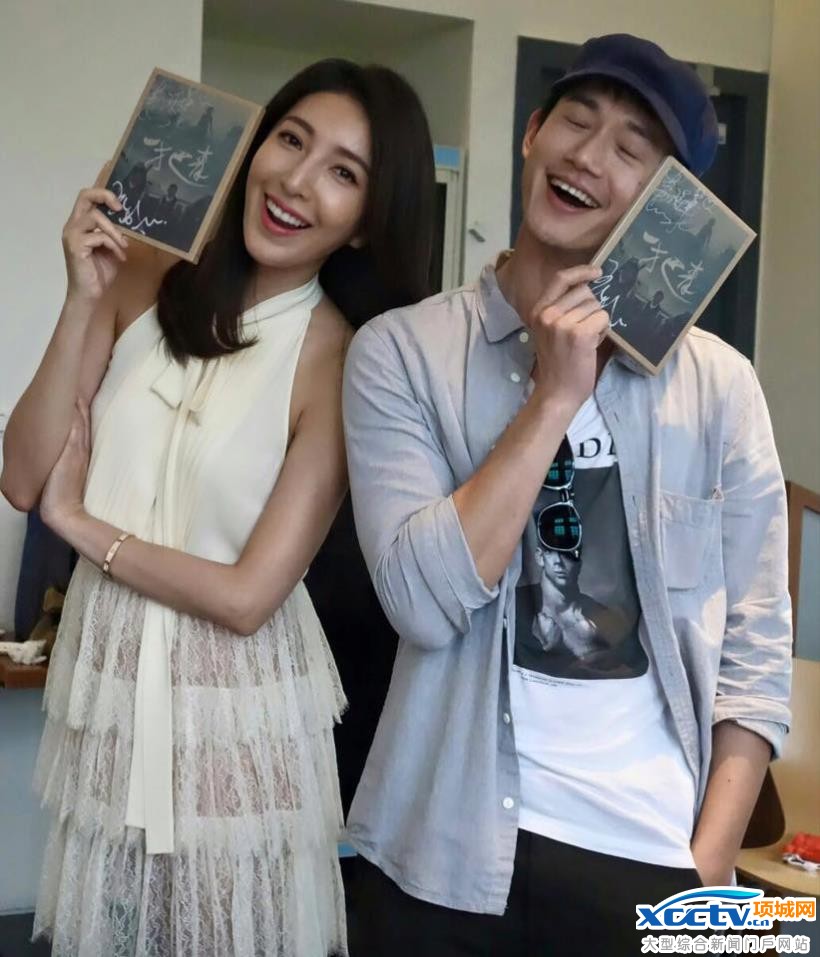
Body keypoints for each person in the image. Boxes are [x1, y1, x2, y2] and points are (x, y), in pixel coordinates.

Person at [342, 34, 792, 956]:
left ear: (664, 202)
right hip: (440, 844)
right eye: (575, 123)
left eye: (630, 149)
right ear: (532, 134)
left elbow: (757, 643)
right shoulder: (402, 353)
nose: (588, 156)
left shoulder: (720, 387)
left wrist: (706, 864)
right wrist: (552, 397)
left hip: (654, 856)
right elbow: (420, 602)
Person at [1, 58, 434, 957]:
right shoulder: (139, 274)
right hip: (109, 690)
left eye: (343, 172)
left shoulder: (340, 358)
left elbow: (247, 597)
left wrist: (81, 526)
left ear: (365, 220)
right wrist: (81, 298)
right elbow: (24, 476)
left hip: (236, 719)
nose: (297, 181)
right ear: (253, 144)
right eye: (290, 140)